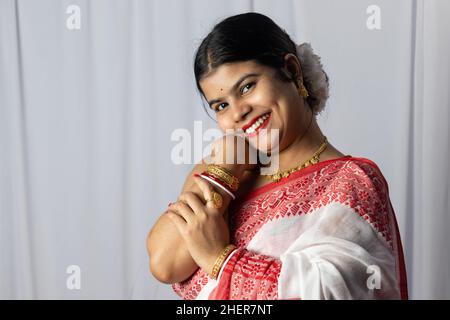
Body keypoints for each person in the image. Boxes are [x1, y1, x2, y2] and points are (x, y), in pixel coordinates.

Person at [146, 12, 408, 300]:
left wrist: (220, 260)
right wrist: (222, 170)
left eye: (247, 87)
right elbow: (164, 264)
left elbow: (336, 292)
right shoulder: (230, 175)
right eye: (220, 105)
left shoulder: (351, 181)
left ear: (292, 70)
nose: (237, 113)